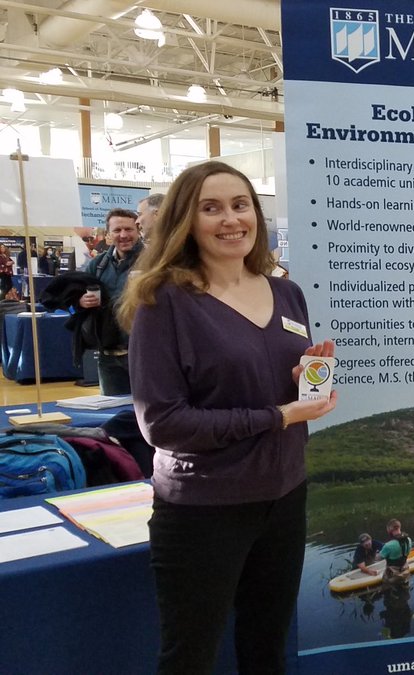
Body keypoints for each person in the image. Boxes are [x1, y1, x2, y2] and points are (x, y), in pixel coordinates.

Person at [119, 160, 338, 674]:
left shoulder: (286, 292)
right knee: (190, 656)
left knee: (267, 647)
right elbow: (165, 425)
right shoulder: (163, 301)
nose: (230, 219)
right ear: (185, 221)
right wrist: (280, 415)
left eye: (240, 205)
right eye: (210, 208)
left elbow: (264, 384)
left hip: (284, 497)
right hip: (204, 507)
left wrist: (307, 380)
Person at [81, 207, 144, 395]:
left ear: (138, 230)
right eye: (117, 230)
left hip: (144, 356)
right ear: (108, 234)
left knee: (148, 416)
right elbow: (77, 295)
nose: (123, 235)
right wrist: (82, 300)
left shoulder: (153, 261)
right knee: (112, 414)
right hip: (108, 357)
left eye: (128, 229)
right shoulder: (97, 265)